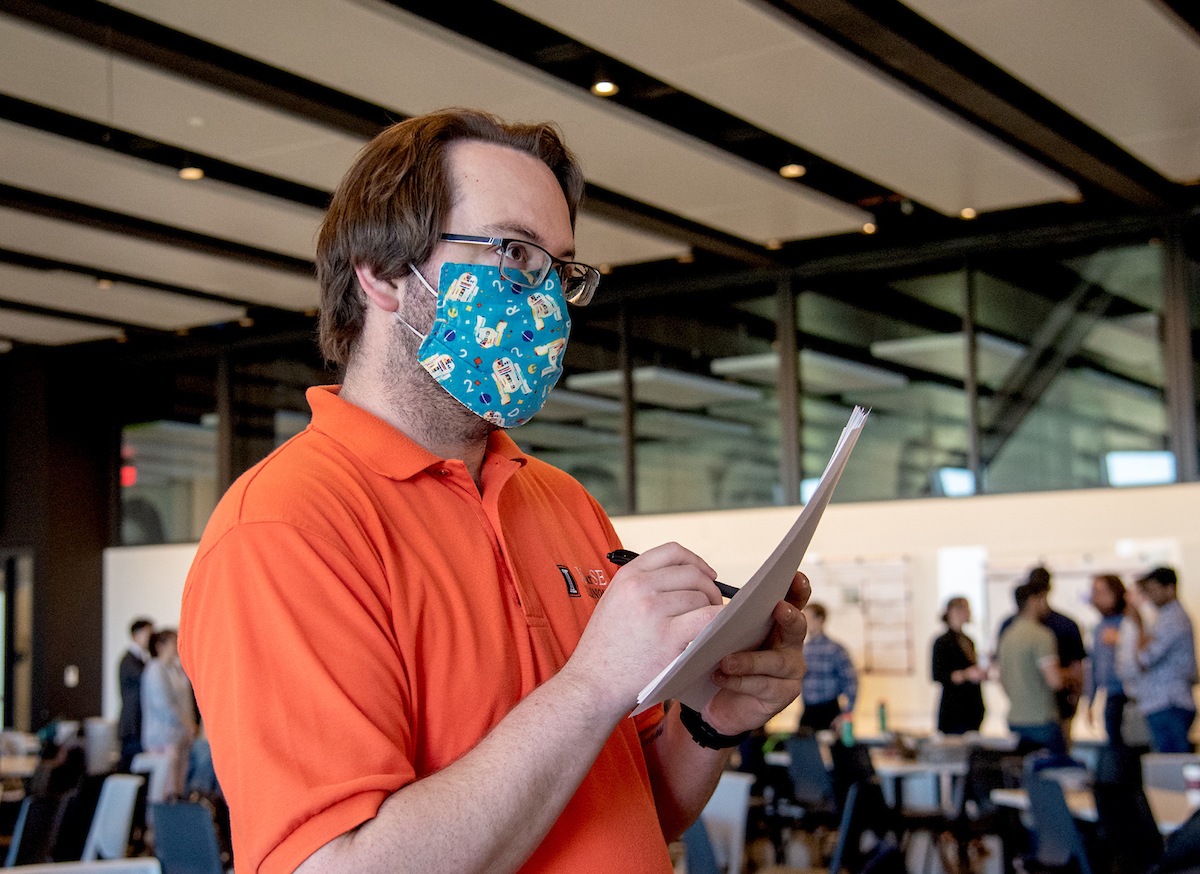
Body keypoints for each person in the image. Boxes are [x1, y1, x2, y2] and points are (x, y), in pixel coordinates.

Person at [179, 109, 812, 874]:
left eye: (560, 269)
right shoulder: (285, 527)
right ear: (379, 272)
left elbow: (634, 804)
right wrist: (592, 685)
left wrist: (710, 722)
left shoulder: (562, 501)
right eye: (513, 252)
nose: (544, 300)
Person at [997, 567, 1085, 740]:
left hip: (1018, 713)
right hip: (1045, 713)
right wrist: (1067, 677)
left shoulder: (1007, 630)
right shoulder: (1047, 633)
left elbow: (1001, 674)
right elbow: (1060, 678)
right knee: (1056, 763)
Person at [1130, 567, 1197, 752]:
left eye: (1153, 590)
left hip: (1169, 703)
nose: (1150, 596)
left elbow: (1144, 658)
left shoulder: (1173, 619)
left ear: (1169, 588)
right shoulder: (1165, 617)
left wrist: (1139, 626)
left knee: (1171, 768)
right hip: (1165, 703)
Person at [997, 582, 1066, 754]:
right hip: (1041, 718)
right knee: (1052, 775)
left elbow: (1002, 677)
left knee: (1023, 774)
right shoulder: (1041, 635)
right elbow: (1054, 681)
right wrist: (1069, 676)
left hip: (1015, 717)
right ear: (1032, 601)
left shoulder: (1007, 636)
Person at [141, 628, 197, 801]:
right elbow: (164, 705)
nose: (177, 645)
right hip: (163, 738)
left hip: (180, 736)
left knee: (179, 787)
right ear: (161, 646)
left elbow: (186, 702)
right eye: (174, 642)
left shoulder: (175, 669)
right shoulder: (155, 669)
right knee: (165, 789)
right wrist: (187, 724)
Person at [1084, 574, 1128, 747]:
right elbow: (1094, 666)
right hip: (1111, 696)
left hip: (1131, 698)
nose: (1096, 598)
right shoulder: (1100, 626)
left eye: (1101, 592)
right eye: (1094, 592)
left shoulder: (1130, 622)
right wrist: (1089, 701)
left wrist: (1123, 639)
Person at [799, 603, 857, 731]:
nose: (806, 622)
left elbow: (851, 683)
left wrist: (845, 715)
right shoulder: (804, 650)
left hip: (829, 710)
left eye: (809, 618)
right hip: (808, 710)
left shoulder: (835, 650)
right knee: (802, 746)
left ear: (820, 620)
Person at [931, 597, 985, 734]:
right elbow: (938, 674)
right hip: (954, 711)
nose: (969, 612)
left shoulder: (968, 640)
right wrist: (966, 674)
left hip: (971, 709)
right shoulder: (942, 642)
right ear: (954, 611)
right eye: (965, 609)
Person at [117, 617, 153, 772]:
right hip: (132, 725)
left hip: (139, 725)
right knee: (130, 771)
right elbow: (146, 681)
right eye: (148, 634)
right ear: (137, 634)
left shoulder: (143, 659)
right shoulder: (128, 661)